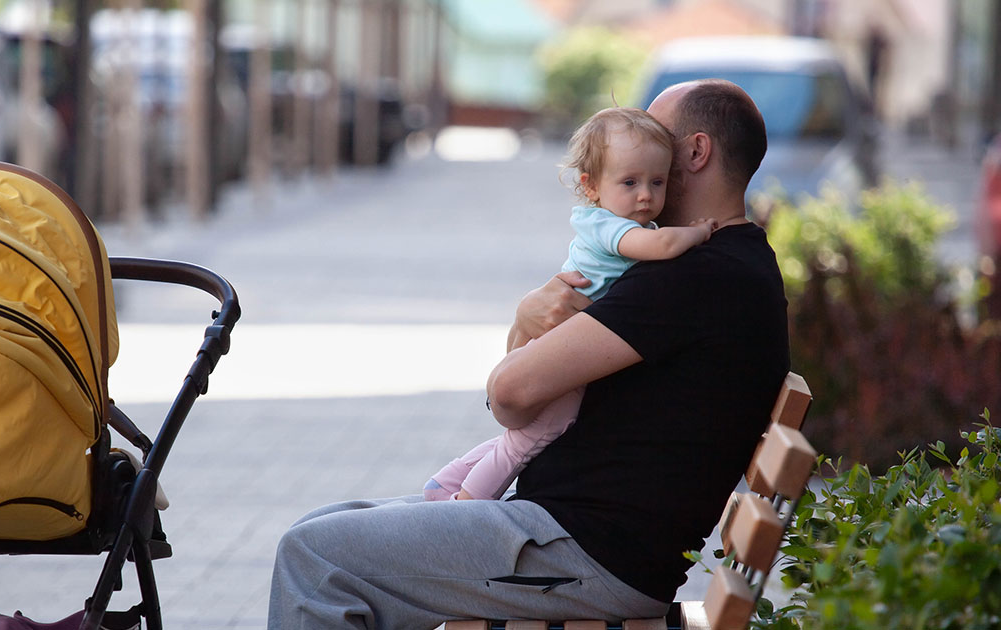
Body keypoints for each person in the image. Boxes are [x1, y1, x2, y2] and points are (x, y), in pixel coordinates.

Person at [268, 79, 790, 629]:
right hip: (573, 539)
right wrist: (526, 322)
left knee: (315, 555)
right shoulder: (729, 265)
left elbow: (510, 395)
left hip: (582, 554)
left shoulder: (695, 277)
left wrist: (524, 320)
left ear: (697, 151)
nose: (643, 148)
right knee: (322, 527)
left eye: (656, 134)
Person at [424, 107, 717, 502]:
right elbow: (662, 245)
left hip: (566, 338)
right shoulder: (608, 225)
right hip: (564, 341)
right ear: (591, 186)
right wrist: (698, 232)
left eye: (657, 181)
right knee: (543, 431)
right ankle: (466, 502)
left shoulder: (628, 223)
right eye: (630, 182)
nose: (646, 195)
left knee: (528, 435)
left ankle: (448, 481)